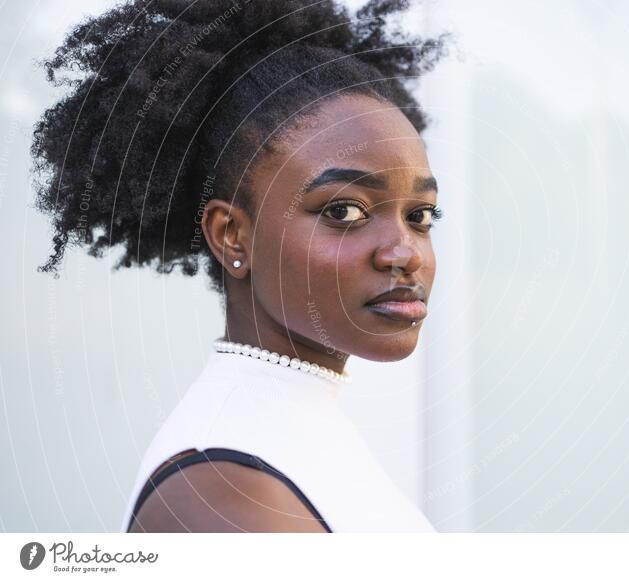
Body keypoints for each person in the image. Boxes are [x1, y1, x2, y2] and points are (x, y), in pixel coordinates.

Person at [31, 0, 447, 532]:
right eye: (344, 211)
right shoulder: (223, 493)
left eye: (421, 215)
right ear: (233, 235)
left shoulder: (294, 429)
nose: (404, 252)